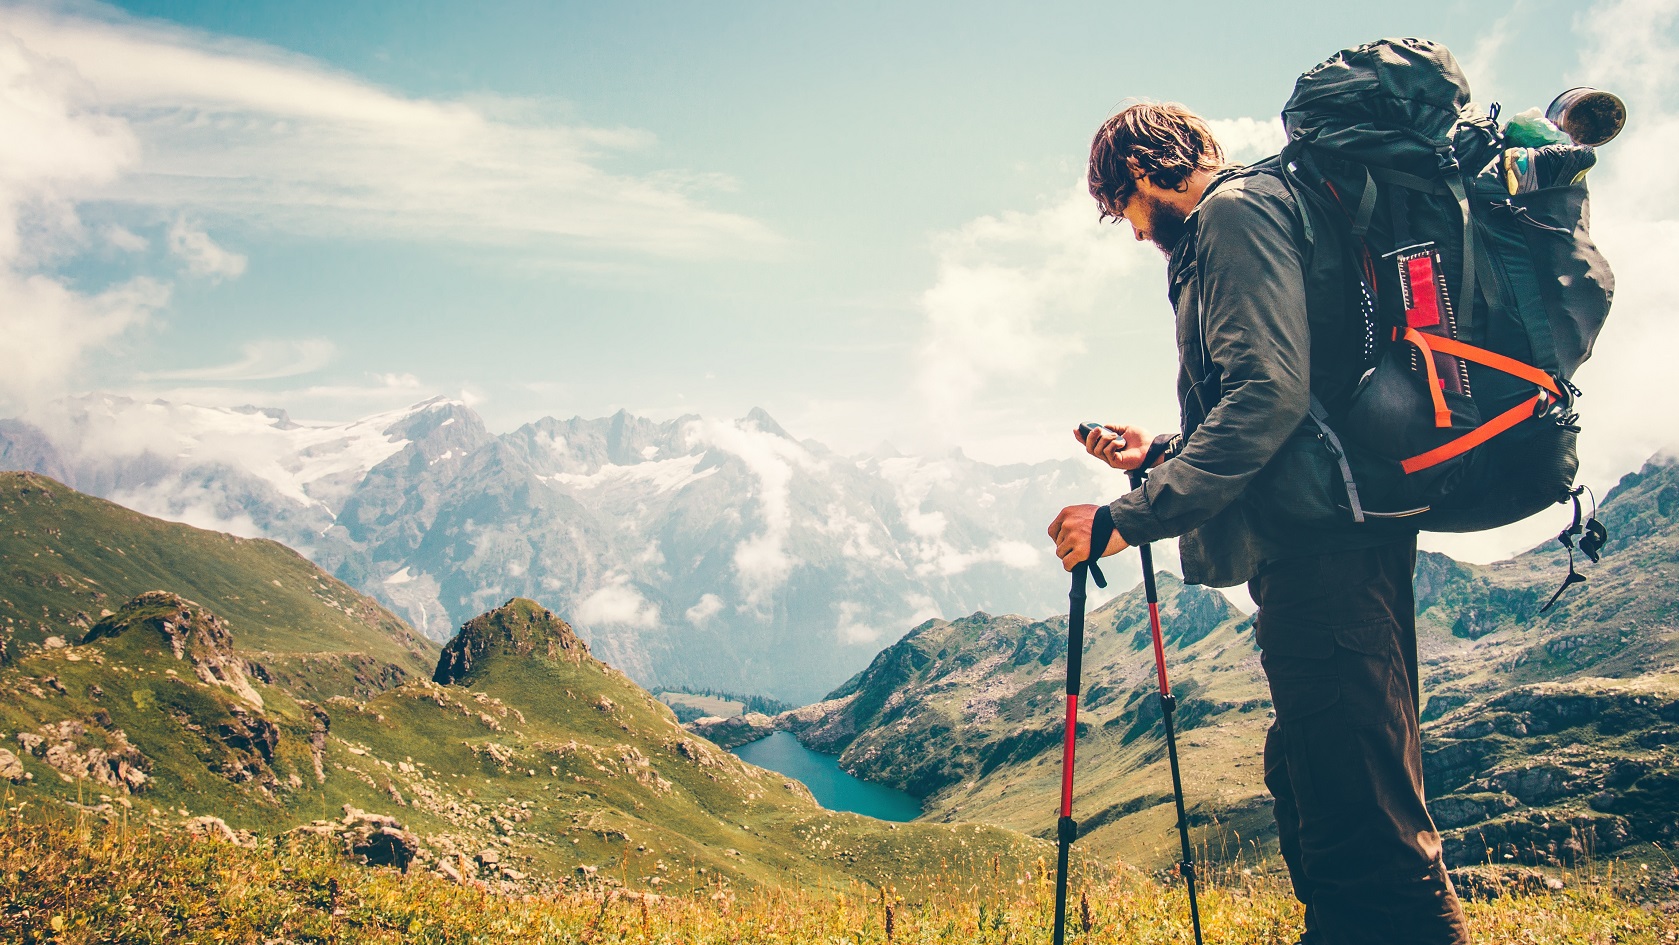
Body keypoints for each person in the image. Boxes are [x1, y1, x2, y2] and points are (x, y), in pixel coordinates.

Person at [1046, 102, 1470, 945]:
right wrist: (1160, 448)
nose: (1131, 234)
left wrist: (1130, 516)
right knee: (1324, 784)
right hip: (1334, 542)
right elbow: (1306, 406)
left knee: (1362, 823)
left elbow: (1267, 397)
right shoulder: (1273, 211)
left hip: (1322, 555)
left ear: (1138, 173)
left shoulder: (1233, 216)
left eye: (1120, 211)